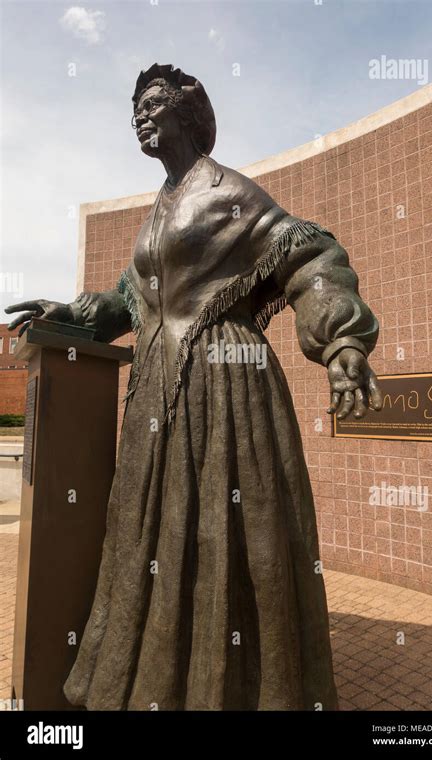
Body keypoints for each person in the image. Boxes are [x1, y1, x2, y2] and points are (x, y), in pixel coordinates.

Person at [6, 64, 382, 710]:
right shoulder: (160, 209)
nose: (141, 116)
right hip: (160, 395)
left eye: (153, 103)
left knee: (230, 541)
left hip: (226, 392)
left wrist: (343, 342)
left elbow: (309, 254)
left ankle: (242, 688)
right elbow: (129, 298)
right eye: (136, 108)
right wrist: (71, 311)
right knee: (156, 538)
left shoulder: (225, 192)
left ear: (187, 113)